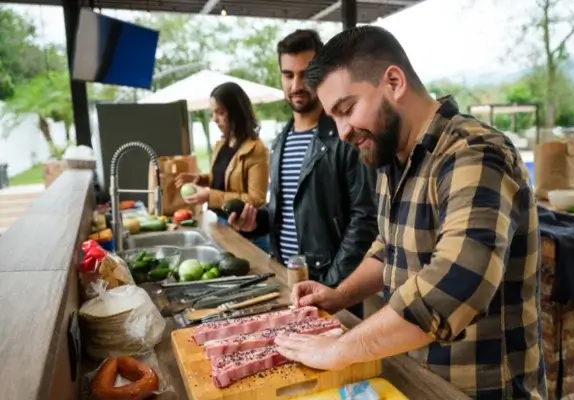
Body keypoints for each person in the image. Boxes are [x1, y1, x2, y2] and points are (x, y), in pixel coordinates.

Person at [271, 26, 546, 399]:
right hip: (416, 381)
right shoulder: (392, 156)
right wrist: (339, 294)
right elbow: (389, 249)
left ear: (394, 82)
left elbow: (454, 284)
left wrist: (339, 349)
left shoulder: (475, 152)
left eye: (347, 109)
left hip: (479, 390)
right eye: (333, 117)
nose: (343, 131)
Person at [227, 29, 378, 319]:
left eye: (306, 73)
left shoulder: (345, 136)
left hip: (333, 287)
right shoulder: (280, 140)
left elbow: (365, 219)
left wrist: (331, 285)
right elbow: (286, 211)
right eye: (288, 74)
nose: (296, 84)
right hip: (286, 279)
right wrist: (256, 223)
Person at [175, 82, 270, 252]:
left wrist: (210, 196)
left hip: (248, 234)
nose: (214, 119)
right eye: (213, 113)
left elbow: (256, 199)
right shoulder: (221, 145)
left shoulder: (257, 149)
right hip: (222, 224)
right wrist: (199, 179)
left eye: (220, 112)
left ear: (237, 113)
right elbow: (221, 179)